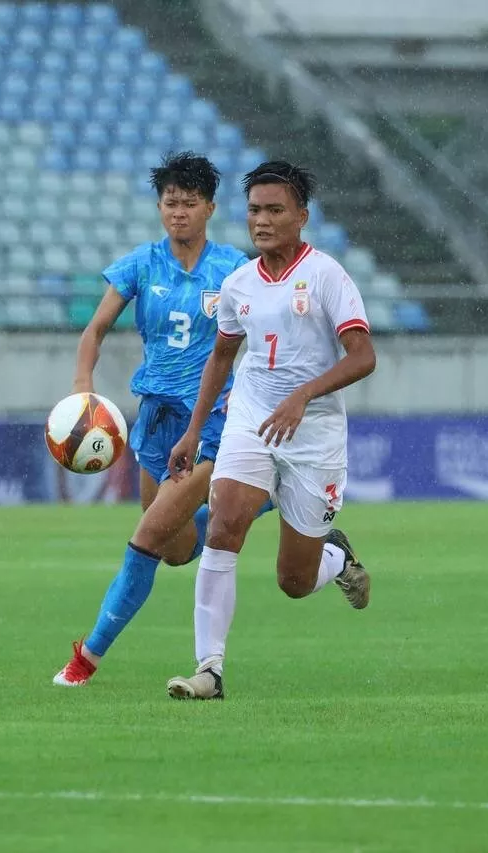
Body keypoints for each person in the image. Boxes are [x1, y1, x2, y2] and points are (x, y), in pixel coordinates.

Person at [163, 161, 377, 701]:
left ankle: (337, 557)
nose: (261, 220)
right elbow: (221, 356)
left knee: (294, 582)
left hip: (314, 434)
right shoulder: (238, 284)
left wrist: (303, 395)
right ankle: (208, 670)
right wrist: (193, 432)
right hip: (253, 418)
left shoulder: (327, 275)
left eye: (275, 210)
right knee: (224, 524)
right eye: (255, 210)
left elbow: (364, 356)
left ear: (301, 216)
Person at [53, 152, 262, 687]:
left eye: (190, 203)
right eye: (170, 202)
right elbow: (95, 329)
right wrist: (83, 388)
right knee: (173, 550)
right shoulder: (141, 265)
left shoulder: (234, 270)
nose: (179, 212)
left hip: (211, 422)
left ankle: (86, 659)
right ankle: (264, 500)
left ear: (210, 208)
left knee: (146, 536)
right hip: (155, 422)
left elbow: (263, 337)